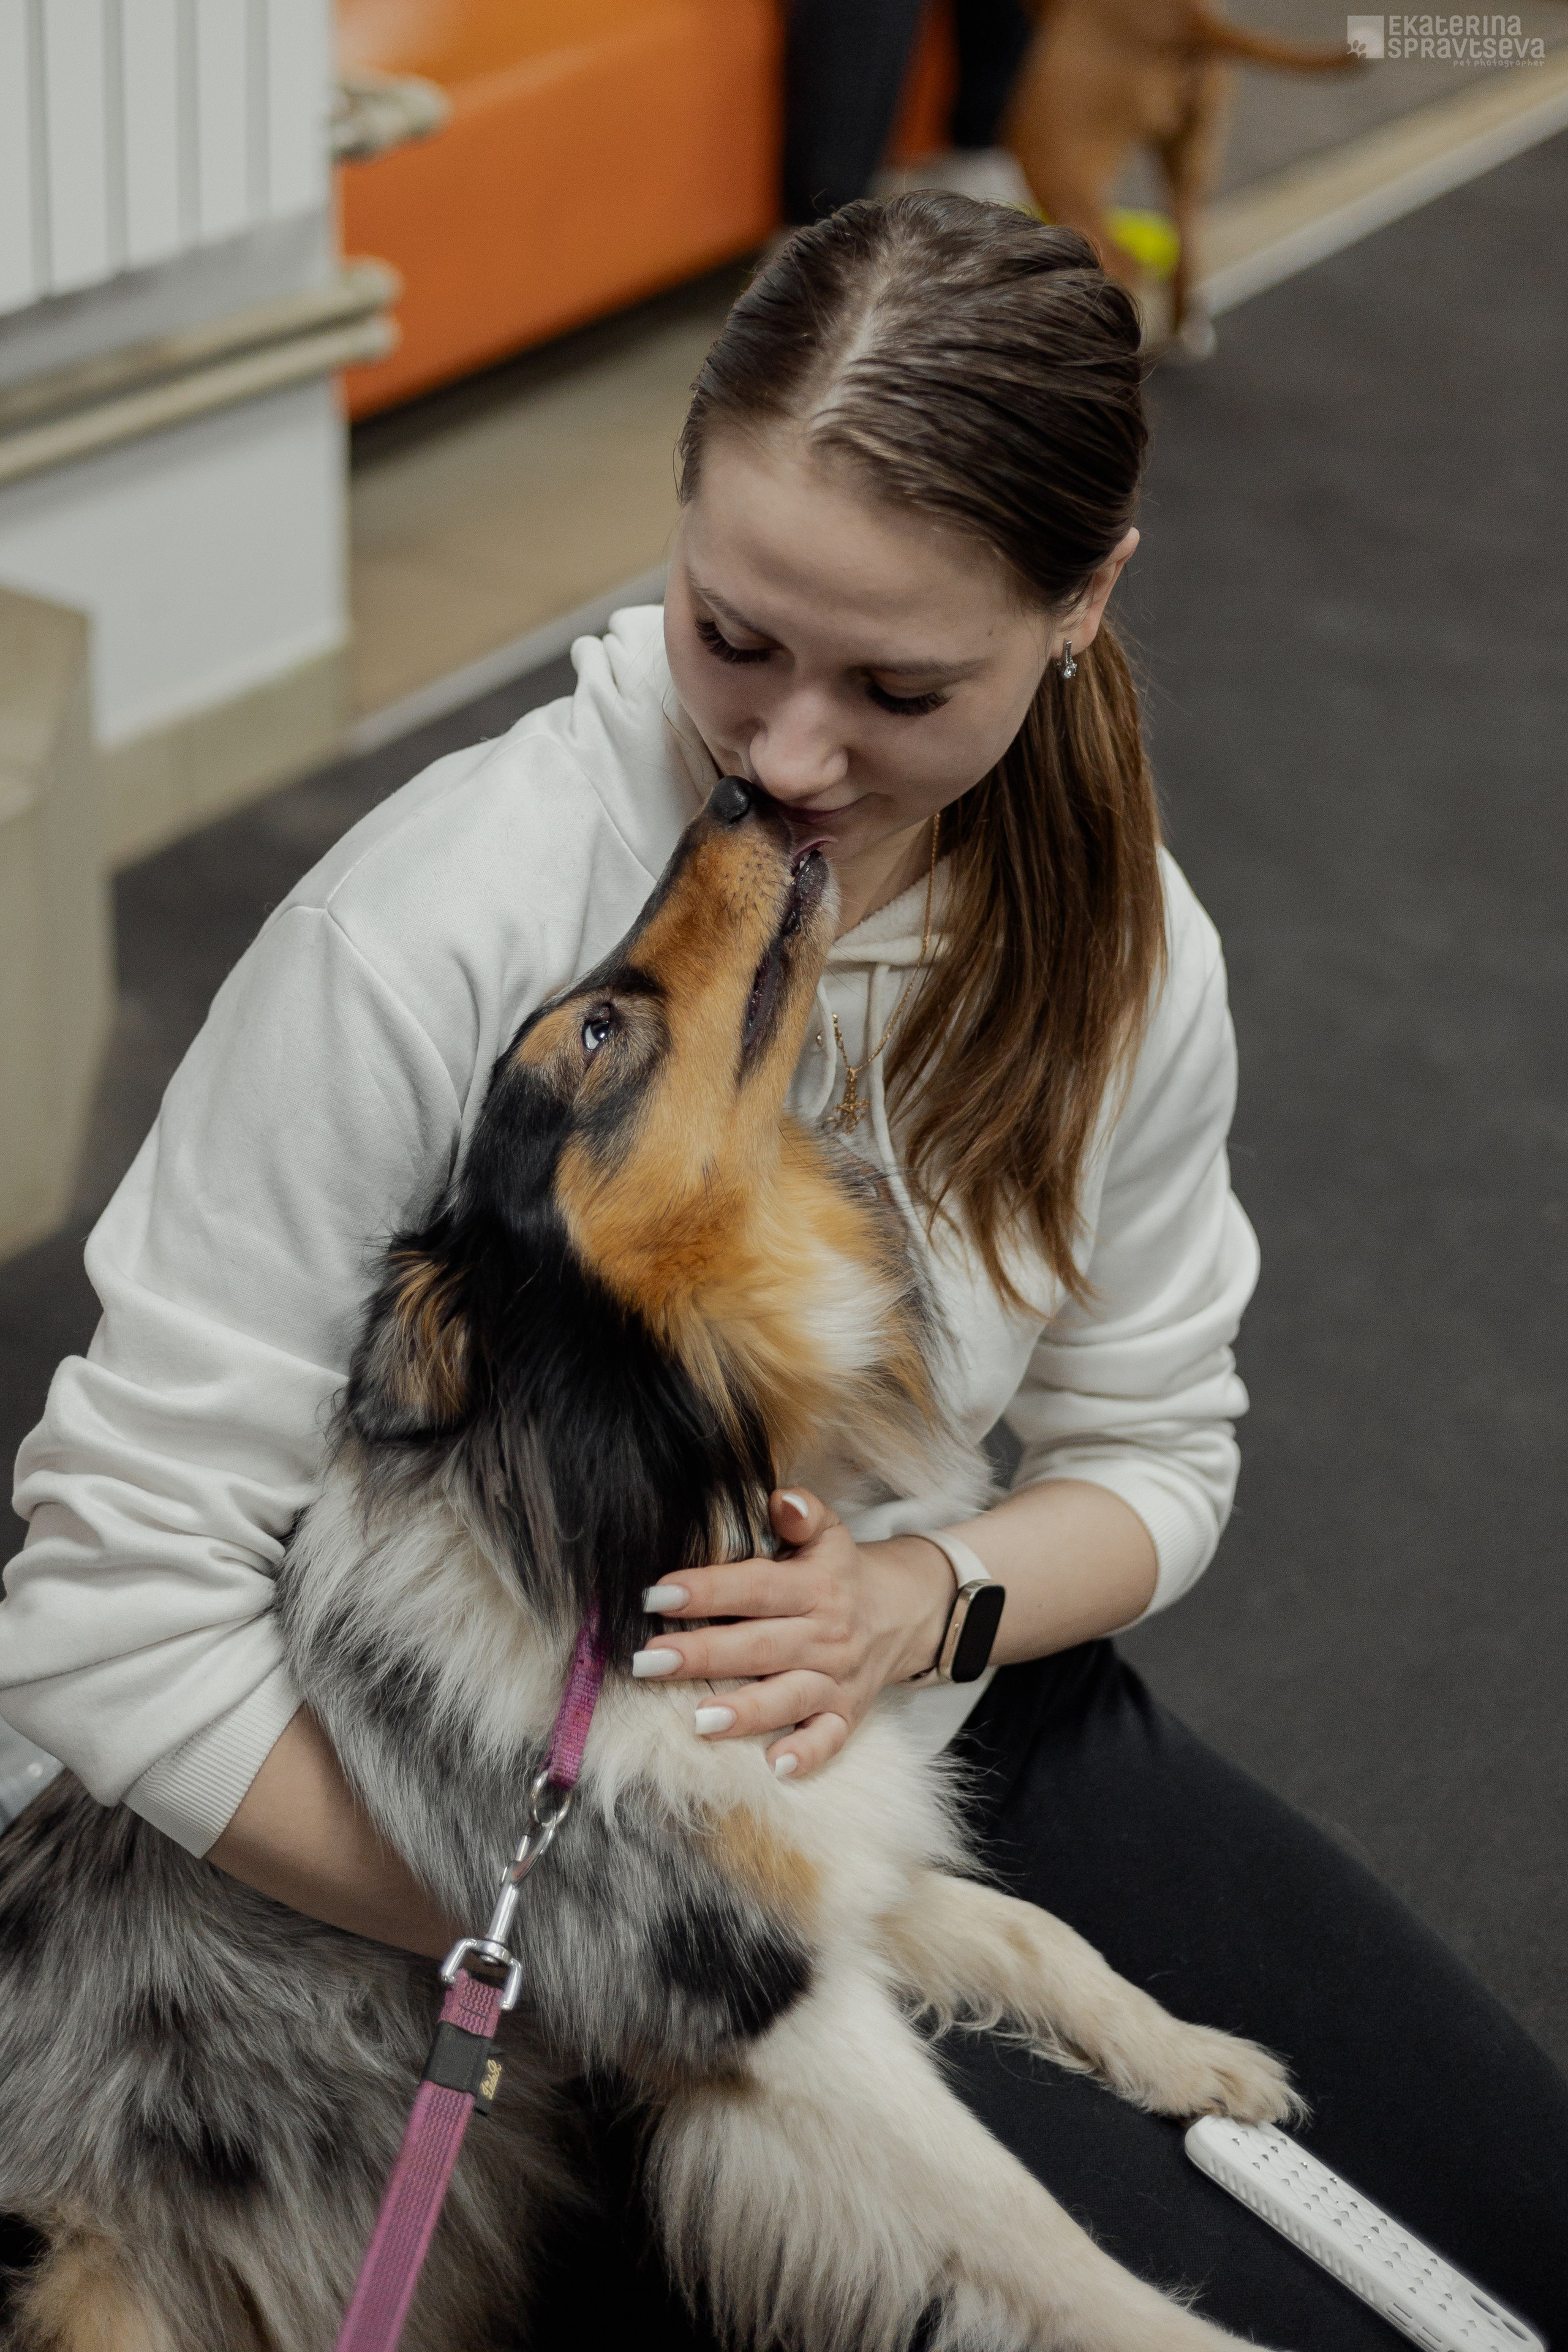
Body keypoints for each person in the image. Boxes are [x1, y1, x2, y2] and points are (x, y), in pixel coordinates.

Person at [2, 198, 1564, 2346]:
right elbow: (105, 1607)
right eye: (733, 638)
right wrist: (583, 1927)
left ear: (1085, 604)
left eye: (902, 686)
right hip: (410, 1845)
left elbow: (1156, 1450)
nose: (790, 760)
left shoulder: (1132, 963)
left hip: (899, 1697)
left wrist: (922, 1598)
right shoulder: (439, 923)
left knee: (1517, 2204)